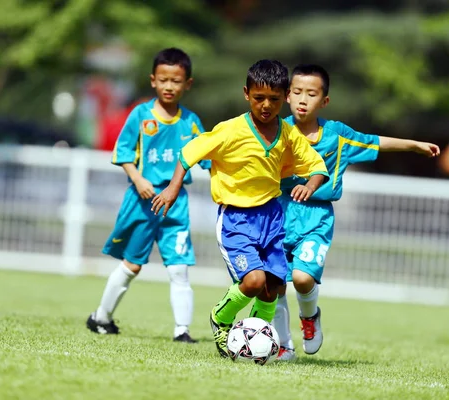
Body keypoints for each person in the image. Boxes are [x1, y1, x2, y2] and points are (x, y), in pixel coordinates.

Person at [151, 59, 329, 357]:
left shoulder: (287, 134)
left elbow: (316, 166)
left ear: (285, 96)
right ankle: (221, 319)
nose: (266, 105)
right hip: (236, 219)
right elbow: (188, 152)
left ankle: (256, 342)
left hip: (271, 217)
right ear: (247, 94)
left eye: (274, 99)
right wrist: (172, 187)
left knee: (273, 286)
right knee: (254, 281)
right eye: (259, 98)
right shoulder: (230, 130)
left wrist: (309, 185)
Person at [272, 64, 440, 361]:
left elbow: (374, 141)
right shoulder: (277, 130)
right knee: (274, 283)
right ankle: (284, 346)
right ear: (287, 96)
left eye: (311, 94)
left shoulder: (337, 135)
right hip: (278, 213)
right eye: (297, 92)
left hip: (316, 218)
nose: (302, 99)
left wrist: (413, 145)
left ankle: (310, 317)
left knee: (301, 279)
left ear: (324, 101)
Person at [86, 48, 210, 343]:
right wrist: (138, 177)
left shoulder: (191, 122)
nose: (169, 86)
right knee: (132, 265)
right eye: (164, 79)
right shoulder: (141, 115)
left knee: (179, 268)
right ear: (153, 80)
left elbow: (208, 158)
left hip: (176, 204)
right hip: (143, 201)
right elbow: (123, 152)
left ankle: (182, 331)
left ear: (187, 84)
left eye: (176, 81)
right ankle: (101, 317)